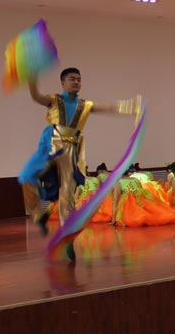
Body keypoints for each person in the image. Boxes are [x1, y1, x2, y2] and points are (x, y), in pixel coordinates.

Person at [18, 67, 138, 261]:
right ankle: (38, 213)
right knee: (26, 177)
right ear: (63, 83)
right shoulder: (54, 100)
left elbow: (108, 108)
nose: (76, 82)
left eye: (79, 79)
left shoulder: (85, 105)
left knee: (67, 199)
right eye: (72, 79)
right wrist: (31, 78)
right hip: (50, 146)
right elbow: (36, 96)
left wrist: (130, 107)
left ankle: (68, 240)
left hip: (70, 153)